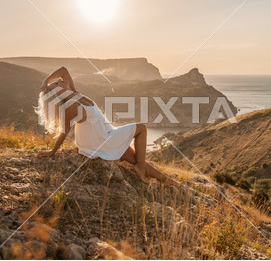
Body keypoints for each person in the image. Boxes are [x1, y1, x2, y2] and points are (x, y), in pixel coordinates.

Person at [35, 66, 177, 186]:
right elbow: (64, 132)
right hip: (101, 140)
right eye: (56, 84)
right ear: (58, 93)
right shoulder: (70, 107)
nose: (60, 81)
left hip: (106, 133)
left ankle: (171, 183)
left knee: (136, 158)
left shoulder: (73, 92)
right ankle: (141, 168)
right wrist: (52, 152)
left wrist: (46, 80)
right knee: (141, 128)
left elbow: (63, 70)